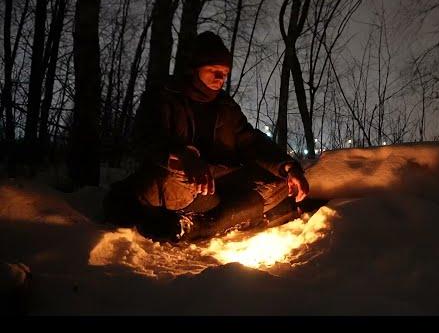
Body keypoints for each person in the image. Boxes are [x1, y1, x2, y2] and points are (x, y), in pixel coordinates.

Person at [103, 31, 310, 243]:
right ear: (194, 69)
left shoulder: (226, 107)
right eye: (213, 70)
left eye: (225, 73)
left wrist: (289, 167)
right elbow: (143, 140)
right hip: (180, 182)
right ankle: (220, 219)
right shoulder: (164, 97)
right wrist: (182, 156)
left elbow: (251, 141)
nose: (220, 78)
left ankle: (195, 226)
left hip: (218, 184)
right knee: (163, 181)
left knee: (281, 183)